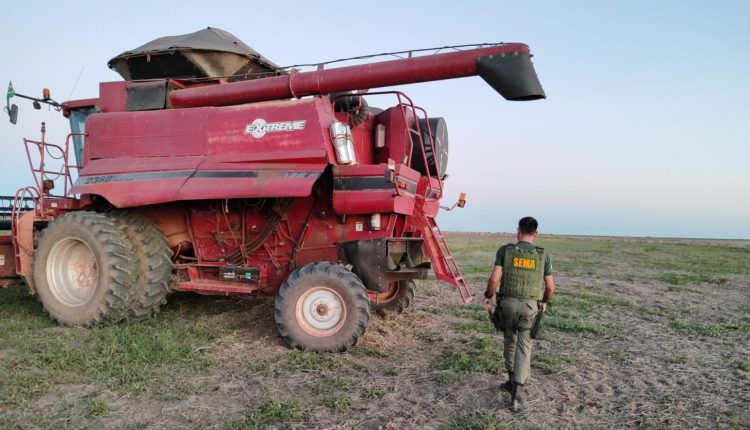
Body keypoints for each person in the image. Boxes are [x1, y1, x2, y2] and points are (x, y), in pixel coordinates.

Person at [483, 216, 555, 412]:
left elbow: (494, 279)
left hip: (507, 305)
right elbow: (550, 287)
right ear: (536, 233)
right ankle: (517, 395)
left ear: (518, 231)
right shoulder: (543, 255)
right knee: (524, 347)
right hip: (530, 307)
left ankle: (510, 381)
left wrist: (488, 296)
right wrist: (544, 302)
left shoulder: (506, 251)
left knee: (509, 341)